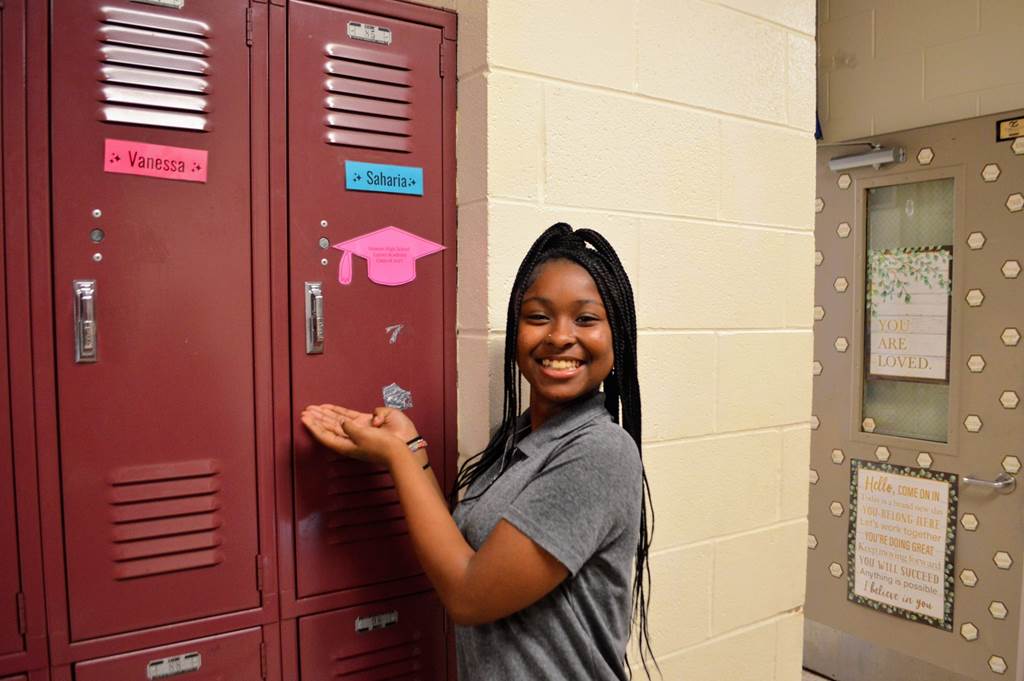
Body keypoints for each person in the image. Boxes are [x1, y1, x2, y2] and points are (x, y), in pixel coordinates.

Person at [301, 223, 655, 680]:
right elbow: (463, 551)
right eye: (538, 316)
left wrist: (397, 458)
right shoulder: (517, 437)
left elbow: (469, 595)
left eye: (586, 319)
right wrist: (408, 446)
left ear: (617, 336)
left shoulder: (599, 453)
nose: (559, 336)